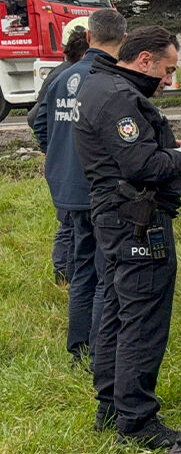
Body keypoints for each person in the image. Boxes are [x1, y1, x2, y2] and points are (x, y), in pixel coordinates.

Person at [74, 26, 181, 448]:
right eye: (167, 70)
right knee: (142, 318)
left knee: (116, 308)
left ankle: (112, 405)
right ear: (145, 60)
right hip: (135, 217)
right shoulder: (118, 97)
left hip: (114, 215)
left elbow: (135, 150)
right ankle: (137, 421)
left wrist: (170, 145)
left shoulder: (99, 85)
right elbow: (142, 165)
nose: (169, 81)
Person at [41, 9, 128, 369]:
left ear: (89, 37)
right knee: (104, 275)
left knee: (80, 270)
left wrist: (58, 157)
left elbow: (41, 122)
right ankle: (98, 348)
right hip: (98, 188)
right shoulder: (108, 79)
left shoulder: (62, 77)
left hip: (67, 186)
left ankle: (78, 348)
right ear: (123, 40)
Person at [31, 17, 91, 285]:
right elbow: (36, 118)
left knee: (70, 221)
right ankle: (65, 275)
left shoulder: (61, 73)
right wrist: (53, 148)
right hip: (72, 165)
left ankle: (68, 275)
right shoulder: (69, 75)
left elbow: (38, 118)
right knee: (70, 223)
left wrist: (52, 149)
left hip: (64, 164)